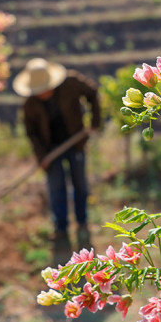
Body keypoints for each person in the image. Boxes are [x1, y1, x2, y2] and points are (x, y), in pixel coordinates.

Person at [13, 57, 101, 261]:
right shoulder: (30, 104)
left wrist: (94, 122)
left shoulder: (70, 84)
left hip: (75, 142)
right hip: (50, 149)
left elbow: (92, 92)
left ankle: (82, 223)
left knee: (80, 184)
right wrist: (41, 157)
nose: (43, 93)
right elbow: (31, 133)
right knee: (56, 188)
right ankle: (61, 228)